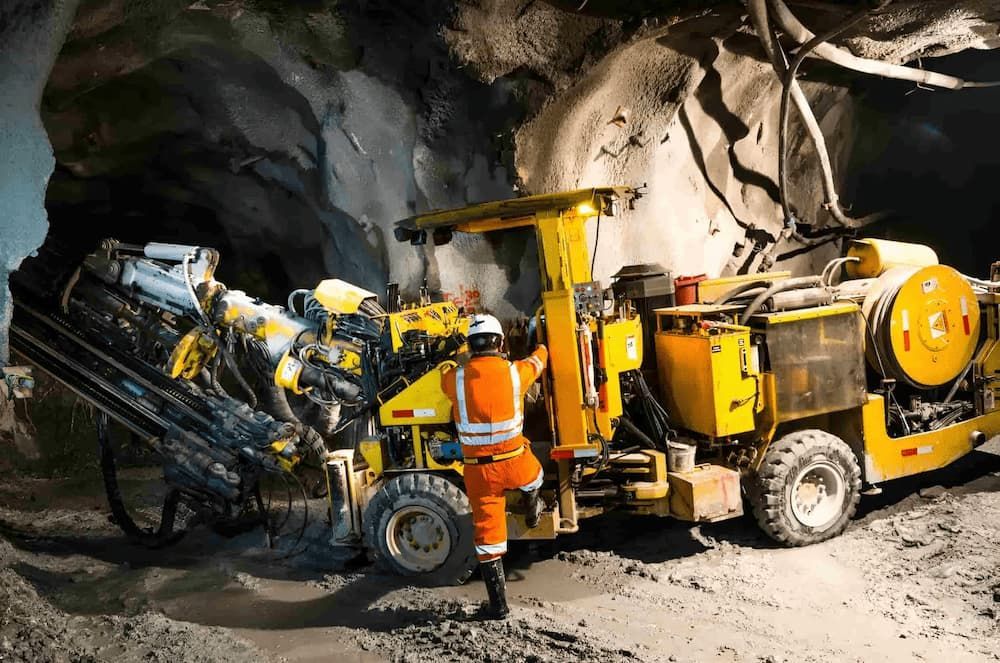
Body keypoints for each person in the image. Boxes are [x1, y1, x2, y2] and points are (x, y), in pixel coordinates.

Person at [441, 313, 548, 619]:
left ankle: (498, 607)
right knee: (535, 477)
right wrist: (542, 346)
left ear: (470, 345)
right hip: (514, 460)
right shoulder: (515, 373)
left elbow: (444, 373)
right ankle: (532, 510)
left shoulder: (455, 379)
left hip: (478, 472)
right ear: (500, 342)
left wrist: (454, 356)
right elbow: (538, 362)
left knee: (488, 539)